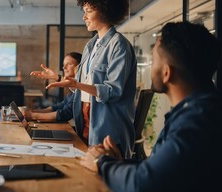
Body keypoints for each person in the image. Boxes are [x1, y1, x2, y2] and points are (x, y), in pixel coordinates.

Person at [79, 21, 222, 192]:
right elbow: (163, 169)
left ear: (167, 73)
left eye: (153, 60)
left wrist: (101, 163)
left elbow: (144, 183)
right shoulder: (197, 109)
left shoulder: (196, 121)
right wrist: (119, 163)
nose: (150, 66)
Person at [36, 0, 137, 158]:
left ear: (105, 10)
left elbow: (113, 91)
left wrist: (77, 84)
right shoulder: (90, 46)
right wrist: (65, 80)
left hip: (108, 130)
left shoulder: (119, 46)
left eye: (89, 11)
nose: (84, 17)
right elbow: (83, 88)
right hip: (87, 124)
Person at [26, 52, 82, 122]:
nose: (64, 68)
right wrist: (35, 112)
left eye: (69, 64)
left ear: (79, 67)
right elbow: (61, 105)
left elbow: (65, 113)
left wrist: (33, 116)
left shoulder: (81, 88)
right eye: (64, 65)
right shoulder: (73, 90)